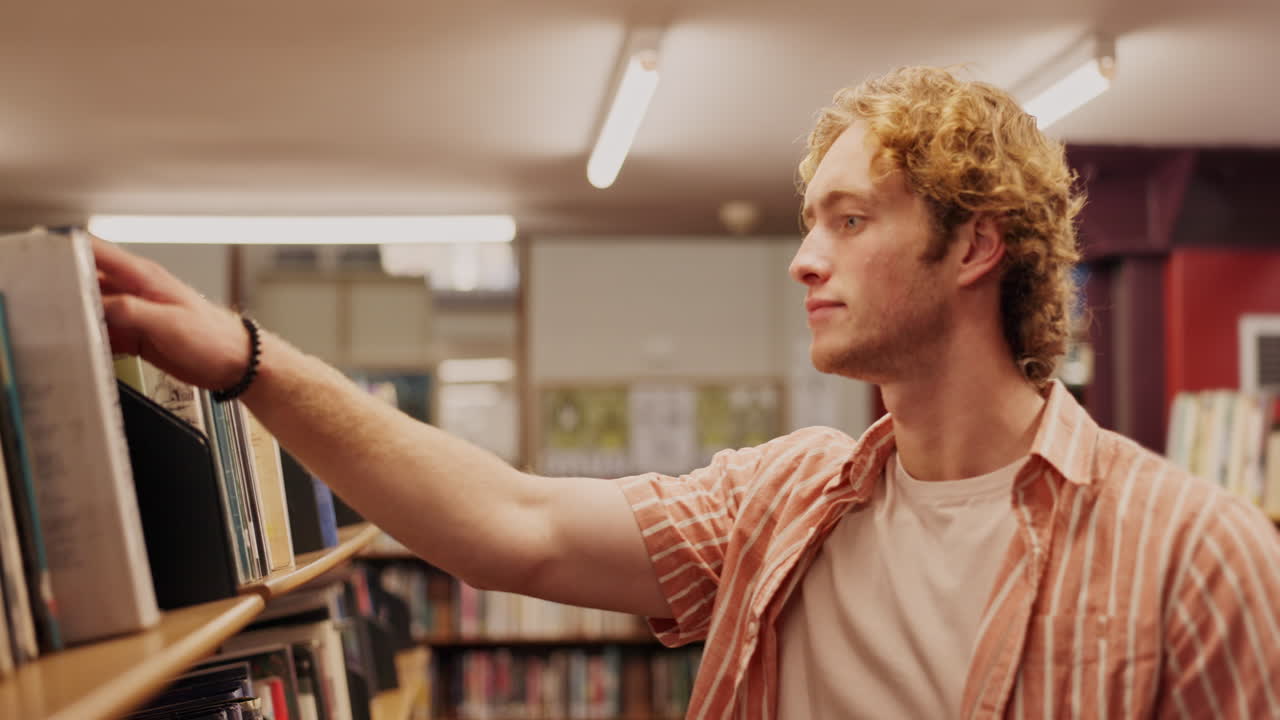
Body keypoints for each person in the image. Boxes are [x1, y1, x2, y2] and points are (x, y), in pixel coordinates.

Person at [94, 66, 1279, 719]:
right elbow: (518, 528)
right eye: (805, 221)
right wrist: (251, 362)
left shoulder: (1192, 552)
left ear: (975, 249)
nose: (801, 258)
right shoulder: (786, 503)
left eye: (848, 220)